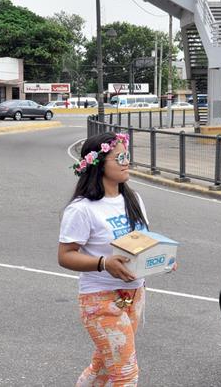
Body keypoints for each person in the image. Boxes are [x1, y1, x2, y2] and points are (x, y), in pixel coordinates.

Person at [58, 131, 148, 386]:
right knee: (125, 374)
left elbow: (142, 241)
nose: (126, 162)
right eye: (119, 157)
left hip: (134, 294)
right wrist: (103, 263)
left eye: (127, 156)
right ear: (98, 164)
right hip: (101, 300)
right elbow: (65, 256)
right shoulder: (82, 209)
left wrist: (160, 258)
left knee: (103, 367)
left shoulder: (133, 199)